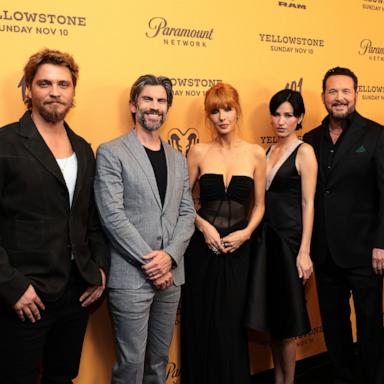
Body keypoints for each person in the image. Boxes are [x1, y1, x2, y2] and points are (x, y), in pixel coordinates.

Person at [0, 49, 109, 384]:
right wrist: (11, 284)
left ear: (73, 92)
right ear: (29, 89)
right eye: (44, 83)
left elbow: (91, 219)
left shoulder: (83, 148)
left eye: (64, 84)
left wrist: (100, 271)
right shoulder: (6, 142)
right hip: (24, 295)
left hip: (76, 293)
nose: (55, 91)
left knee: (62, 377)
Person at [94, 74, 196, 384]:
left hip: (171, 276)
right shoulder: (111, 152)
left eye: (161, 101)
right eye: (147, 99)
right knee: (131, 364)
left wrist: (170, 257)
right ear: (133, 105)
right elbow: (112, 215)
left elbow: (187, 212)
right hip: (132, 277)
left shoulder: (178, 159)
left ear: (168, 108)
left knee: (159, 362)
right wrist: (153, 263)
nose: (154, 107)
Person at [181, 83, 266, 384]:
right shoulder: (198, 151)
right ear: (208, 116)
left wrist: (246, 233)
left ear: (237, 110)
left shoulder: (256, 153)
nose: (221, 116)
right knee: (201, 318)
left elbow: (259, 206)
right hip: (202, 248)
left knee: (231, 323)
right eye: (214, 111)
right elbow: (183, 201)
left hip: (239, 248)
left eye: (227, 108)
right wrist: (202, 227)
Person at [303, 67, 384, 384]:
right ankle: (342, 378)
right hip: (324, 253)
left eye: (345, 91)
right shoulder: (310, 139)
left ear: (356, 94)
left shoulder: (376, 135)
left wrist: (382, 242)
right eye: (333, 92)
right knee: (334, 326)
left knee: (369, 325)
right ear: (324, 96)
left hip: (366, 252)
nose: (339, 98)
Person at [246, 89, 317, 384]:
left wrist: (304, 251)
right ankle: (278, 379)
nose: (281, 121)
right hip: (265, 243)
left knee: (287, 323)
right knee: (274, 321)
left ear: (299, 118)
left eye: (288, 115)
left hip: (289, 245)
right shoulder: (265, 152)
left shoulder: (305, 152)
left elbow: (308, 204)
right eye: (277, 114)